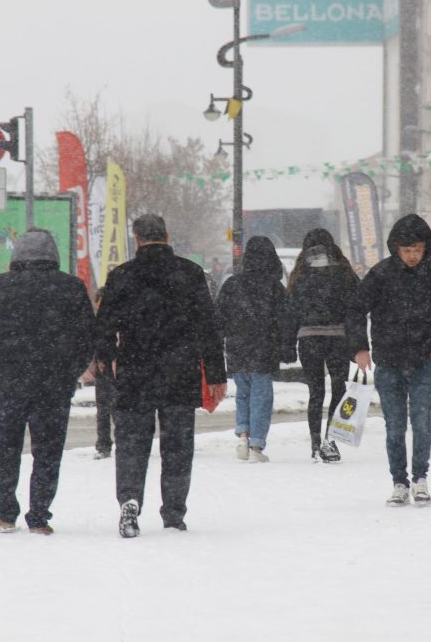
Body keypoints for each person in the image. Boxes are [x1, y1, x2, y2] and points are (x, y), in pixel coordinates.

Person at [94, 214, 227, 538]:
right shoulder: (190, 273)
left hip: (134, 370)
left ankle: (129, 498)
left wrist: (106, 358)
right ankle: (174, 512)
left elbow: (104, 327)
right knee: (178, 445)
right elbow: (208, 327)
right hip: (179, 370)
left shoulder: (121, 276)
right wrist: (215, 372)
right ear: (166, 236)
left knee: (131, 442)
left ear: (136, 239)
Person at [0, 229, 95, 536]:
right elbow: (86, 338)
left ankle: (6, 513)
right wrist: (70, 371)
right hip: (54, 385)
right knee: (48, 451)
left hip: (9, 382)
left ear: (17, 256)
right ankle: (39, 515)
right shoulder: (71, 288)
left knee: (7, 447)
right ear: (53, 255)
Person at [347, 214, 431, 508]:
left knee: (422, 421)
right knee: (394, 425)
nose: (413, 256)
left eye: (417, 249)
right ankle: (399, 481)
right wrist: (359, 348)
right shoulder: (381, 275)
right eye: (407, 251)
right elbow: (355, 310)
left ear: (425, 248)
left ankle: (420, 479)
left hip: (424, 359)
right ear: (396, 249)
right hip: (389, 360)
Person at [283, 228, 359, 462]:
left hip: (308, 339)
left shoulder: (299, 274)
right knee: (339, 390)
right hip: (338, 338)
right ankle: (330, 441)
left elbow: (290, 312)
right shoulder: (344, 272)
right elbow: (355, 307)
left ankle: (316, 443)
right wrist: (356, 343)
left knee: (315, 393)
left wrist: (287, 344)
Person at [216, 236, 286, 463]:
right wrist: (285, 345)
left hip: (237, 349)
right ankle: (256, 445)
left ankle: (243, 435)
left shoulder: (232, 285)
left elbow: (219, 318)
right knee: (261, 397)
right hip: (264, 349)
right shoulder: (275, 288)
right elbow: (286, 319)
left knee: (243, 394)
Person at [92, 287, 115, 459]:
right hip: (103, 370)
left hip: (114, 367)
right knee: (103, 409)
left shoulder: (113, 320)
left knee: (114, 407)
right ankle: (103, 444)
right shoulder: (97, 320)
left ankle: (110, 442)